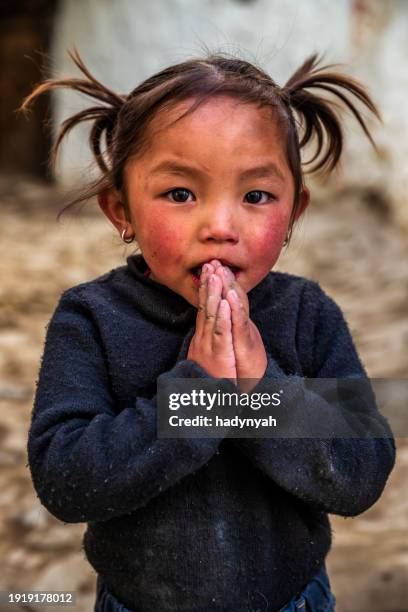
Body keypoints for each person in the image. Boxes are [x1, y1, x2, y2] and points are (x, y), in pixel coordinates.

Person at [23, 49, 396, 612]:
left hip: (292, 601)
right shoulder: (92, 319)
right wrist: (199, 392)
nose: (221, 227)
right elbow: (65, 480)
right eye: (180, 194)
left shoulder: (307, 314)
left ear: (294, 212)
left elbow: (360, 470)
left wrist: (260, 391)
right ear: (120, 210)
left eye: (256, 196)